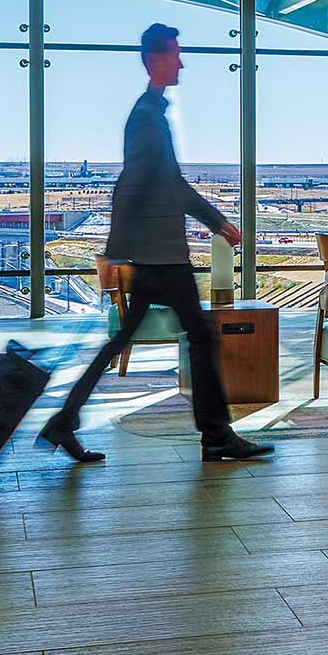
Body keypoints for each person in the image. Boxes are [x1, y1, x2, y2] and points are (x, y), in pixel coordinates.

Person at [38, 23, 274, 464]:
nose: (182, 62)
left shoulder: (151, 114)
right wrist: (112, 251)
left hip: (156, 252)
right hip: (160, 254)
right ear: (154, 60)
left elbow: (170, 184)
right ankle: (217, 435)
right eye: (175, 55)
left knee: (127, 341)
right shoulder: (147, 118)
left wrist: (216, 221)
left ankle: (64, 420)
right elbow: (131, 185)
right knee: (200, 338)